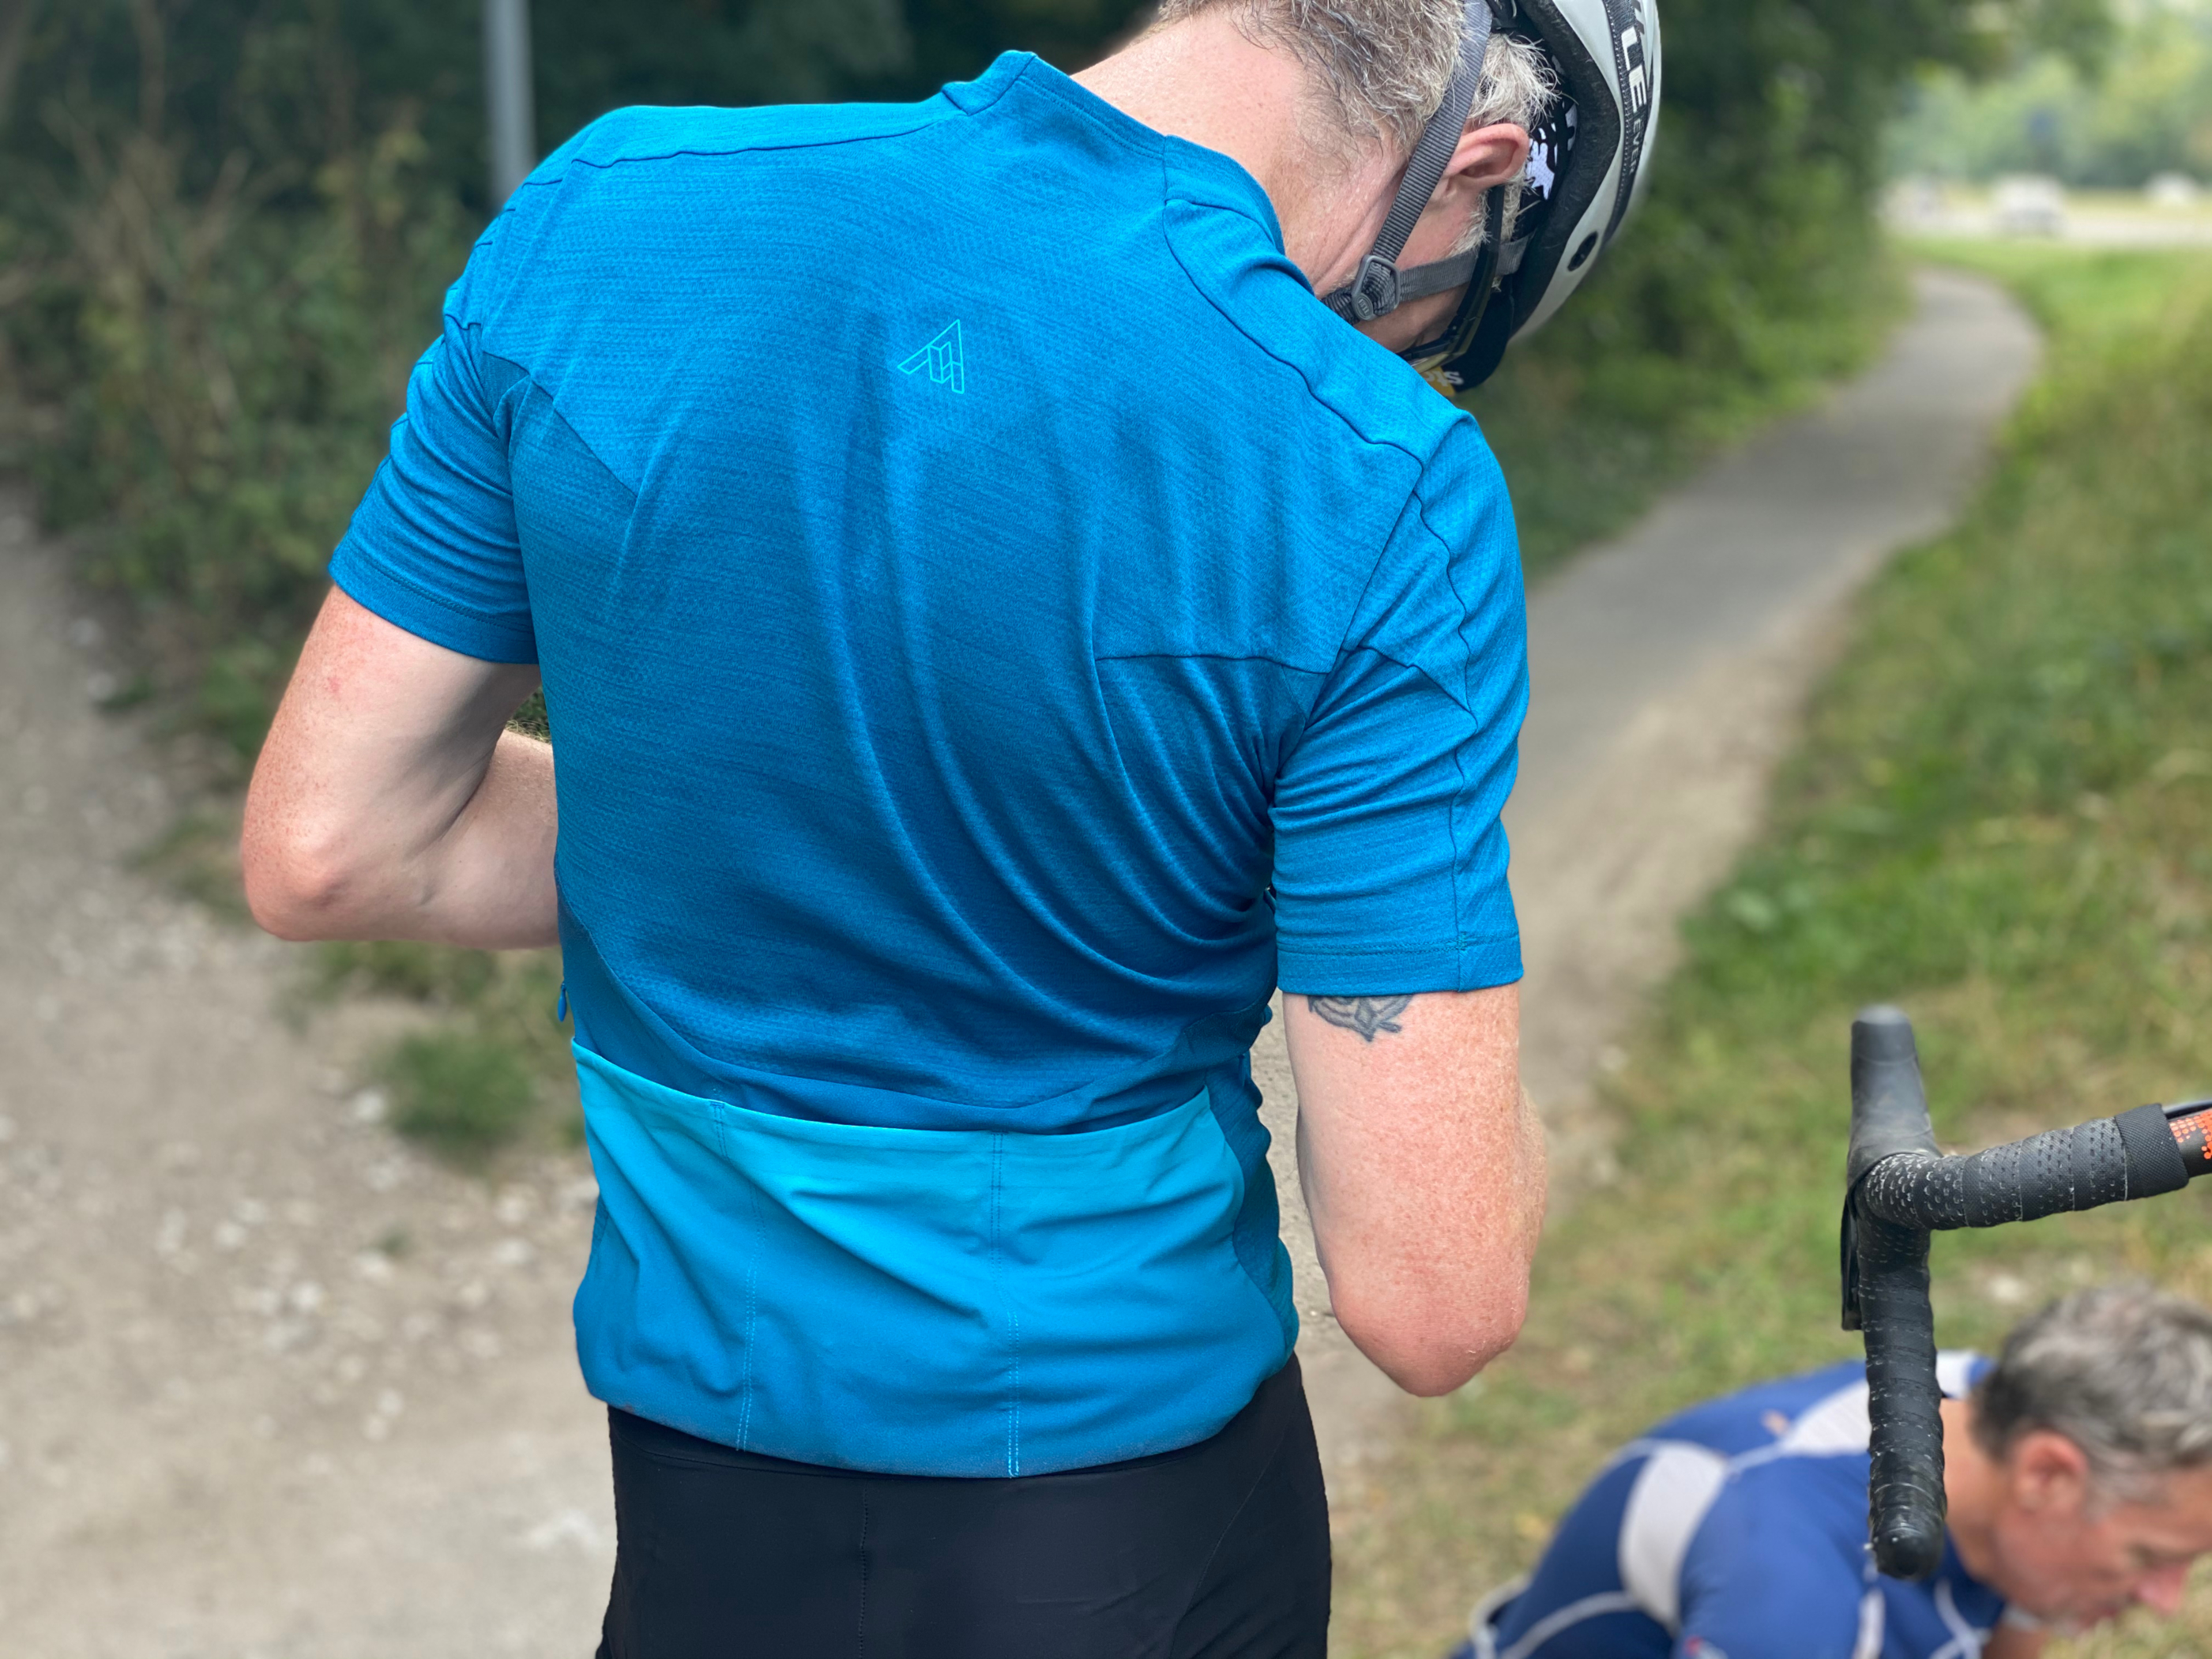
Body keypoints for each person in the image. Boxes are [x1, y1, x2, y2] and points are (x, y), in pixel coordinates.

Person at [240, 0, 1657, 1650]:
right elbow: (1433, 1294)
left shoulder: (606, 211)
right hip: (1118, 1512)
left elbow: (340, 843)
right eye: (1449, 312)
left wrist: (726, 804)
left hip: (702, 1484)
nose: (1395, 358)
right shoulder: (1376, 474)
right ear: (1480, 159)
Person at [1460, 1282, 2212, 1659]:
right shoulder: (1789, 1596)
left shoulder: (1999, 1411)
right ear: (2048, 1475)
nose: (2167, 1600)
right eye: (2148, 1557)